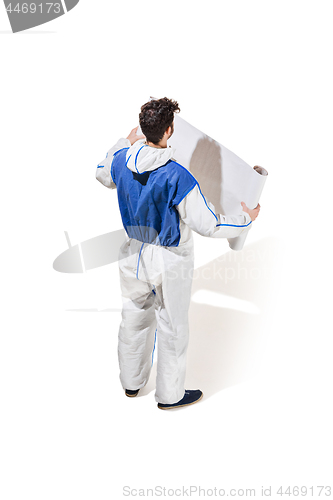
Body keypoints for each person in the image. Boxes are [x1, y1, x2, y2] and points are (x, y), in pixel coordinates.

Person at [96, 97, 260, 410]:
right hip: (169, 261)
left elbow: (101, 171)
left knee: (133, 319)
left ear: (143, 129)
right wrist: (245, 219)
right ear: (170, 130)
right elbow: (209, 224)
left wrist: (124, 141)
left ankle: (132, 384)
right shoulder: (177, 176)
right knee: (171, 327)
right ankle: (170, 396)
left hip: (132, 255)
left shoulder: (120, 160)